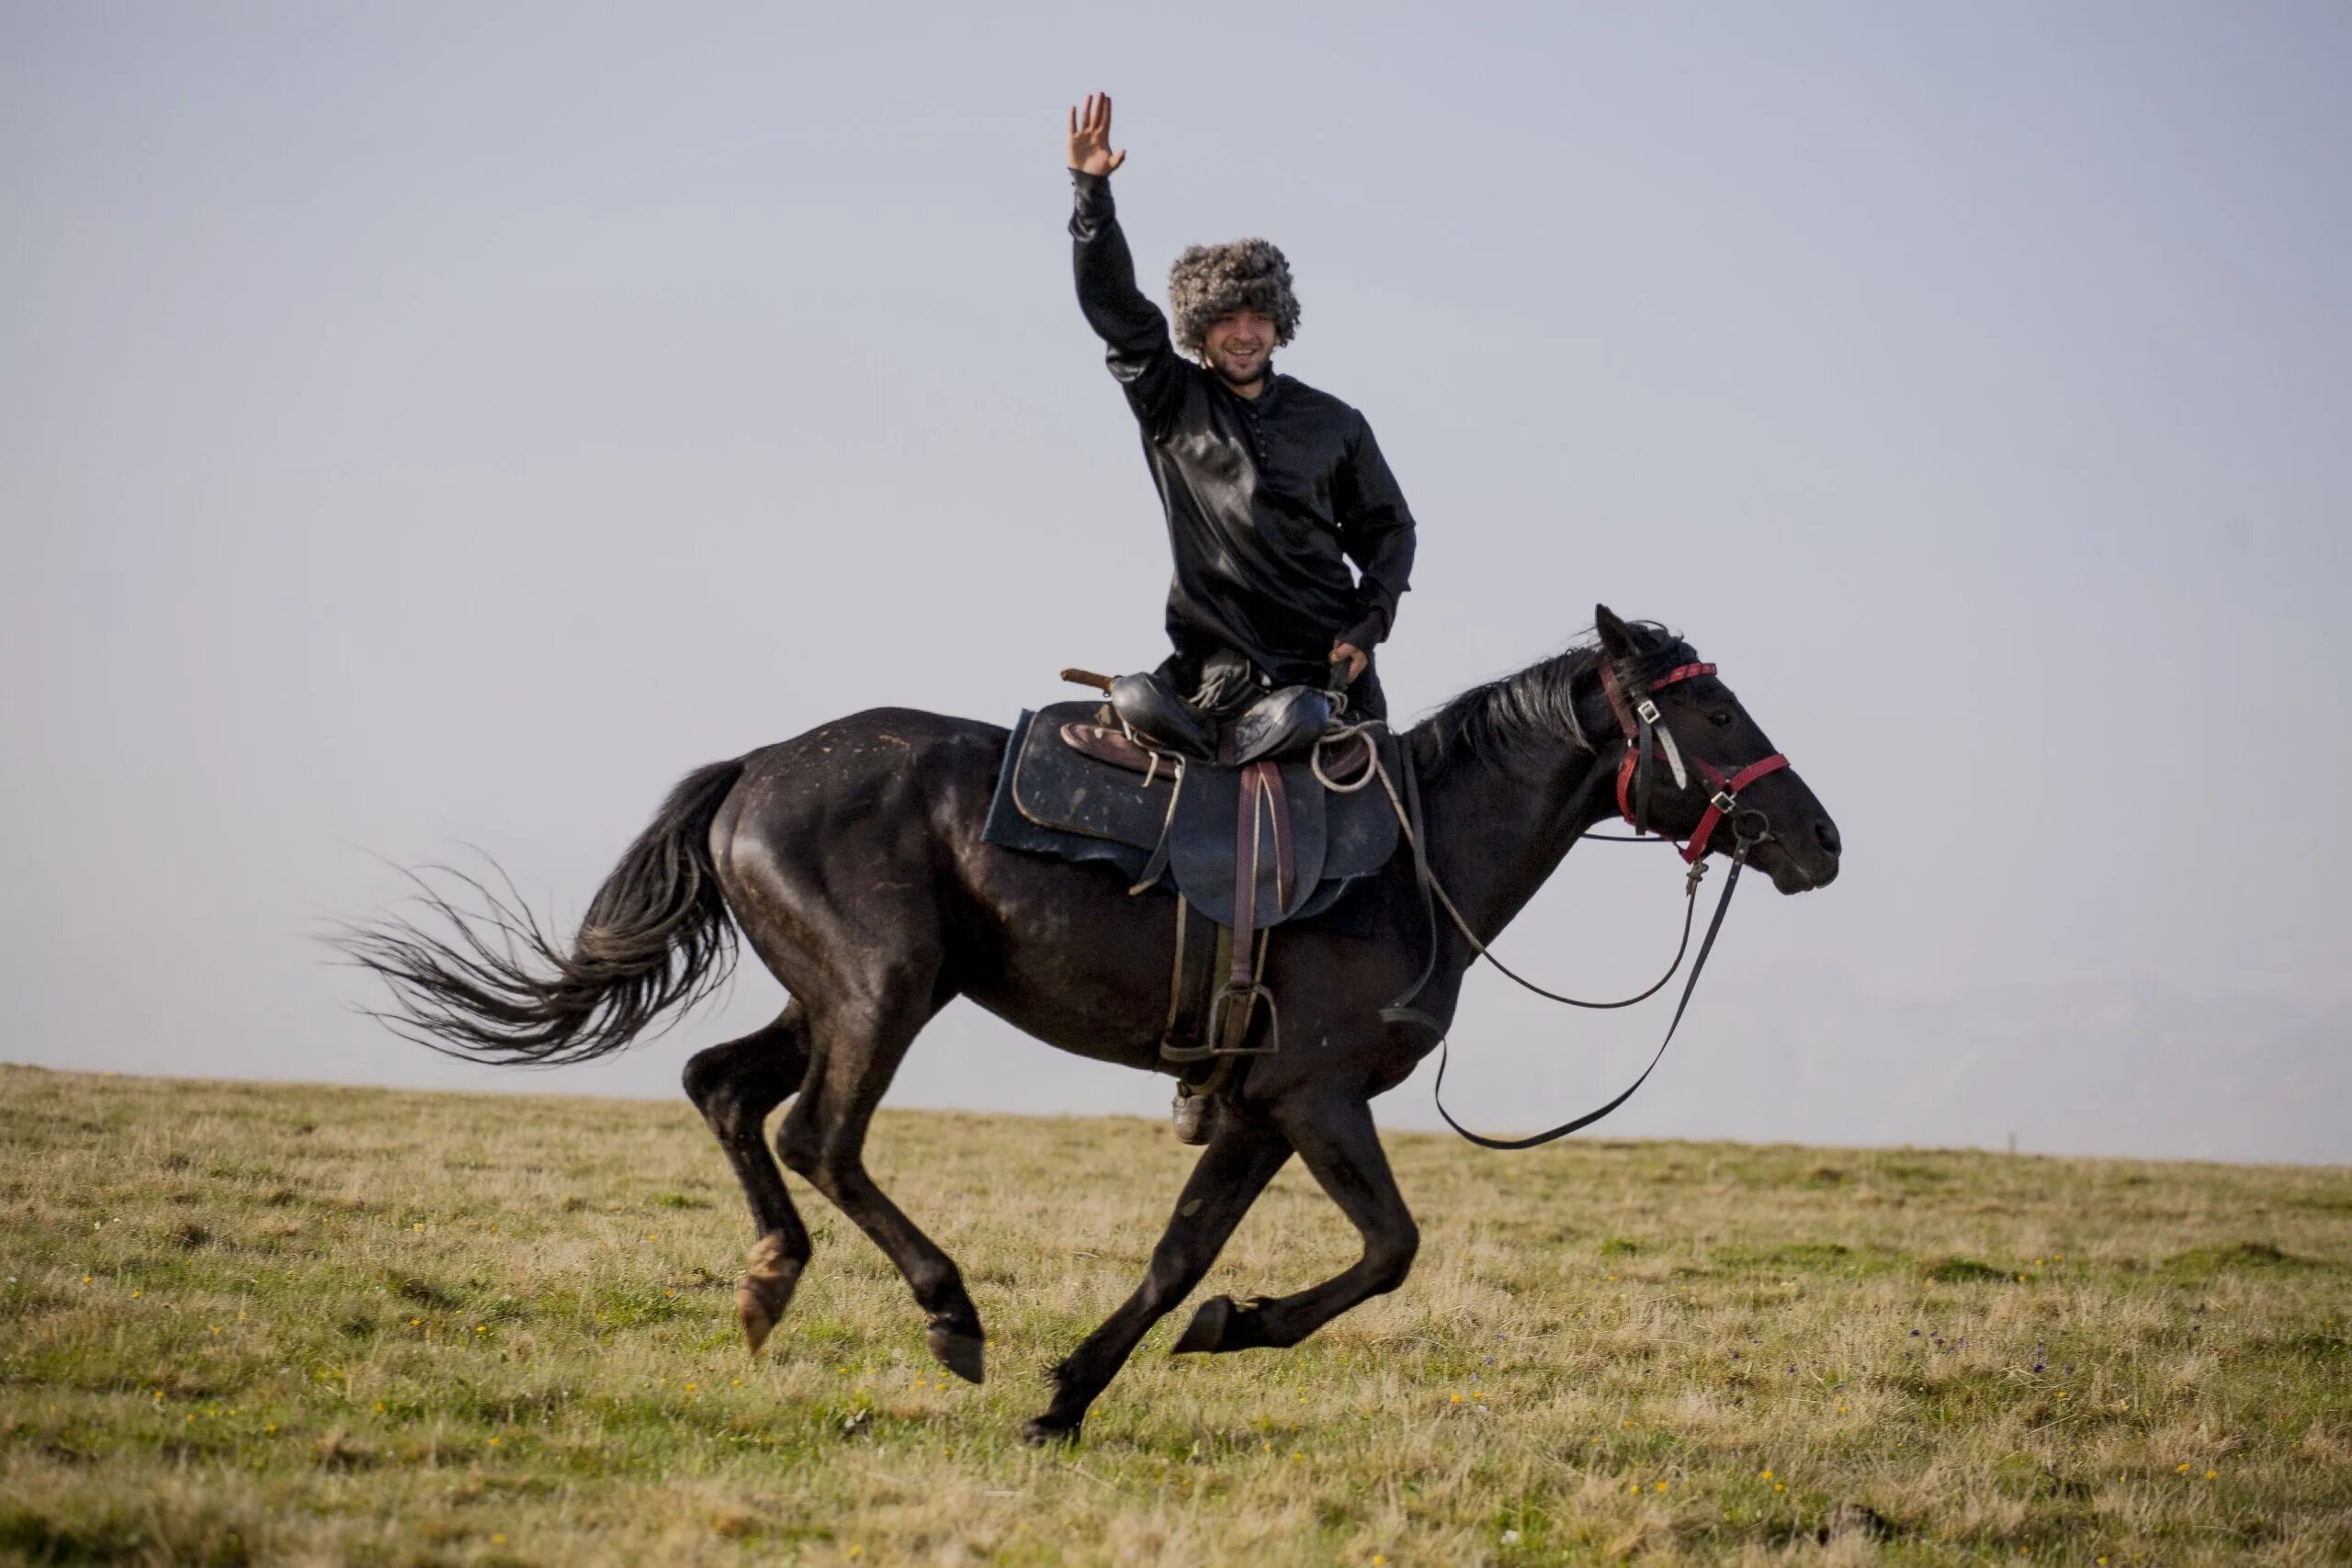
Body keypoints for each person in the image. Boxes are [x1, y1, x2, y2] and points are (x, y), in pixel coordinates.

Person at [1066, 91, 1417, 750]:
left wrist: (1370, 624)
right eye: (1226, 318)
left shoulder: (1336, 421)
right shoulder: (1171, 401)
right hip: (1218, 676)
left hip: (1331, 679)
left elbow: (1390, 530)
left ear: (1279, 324)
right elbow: (1114, 306)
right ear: (1200, 328)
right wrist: (1092, 195)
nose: (1244, 333)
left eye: (1258, 316)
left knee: (1386, 834)